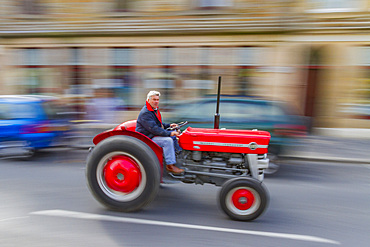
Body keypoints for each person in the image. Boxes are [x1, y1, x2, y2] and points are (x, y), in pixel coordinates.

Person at [136, 91, 184, 175]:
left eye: (157, 100)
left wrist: (170, 125)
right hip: (147, 138)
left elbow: (158, 125)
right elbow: (154, 129)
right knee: (168, 140)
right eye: (154, 99)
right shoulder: (146, 113)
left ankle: (180, 156)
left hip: (152, 134)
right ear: (148, 100)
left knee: (173, 137)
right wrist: (170, 133)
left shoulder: (153, 110)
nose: (156, 102)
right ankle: (170, 165)